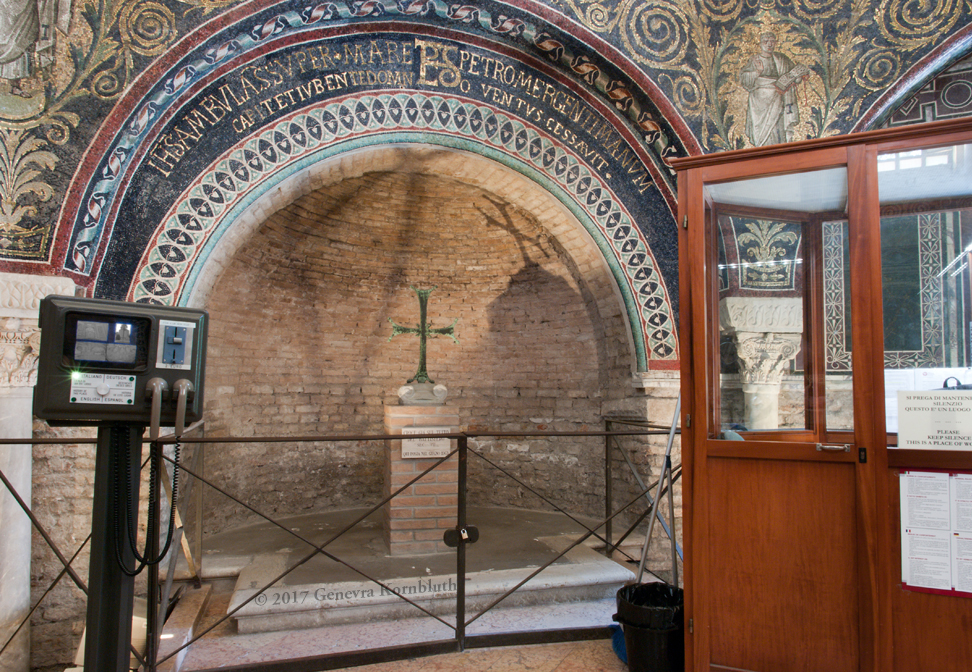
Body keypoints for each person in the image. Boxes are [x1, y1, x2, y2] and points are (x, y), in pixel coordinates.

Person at [739, 32, 810, 146]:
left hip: (779, 99)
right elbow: (744, 79)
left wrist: (798, 76)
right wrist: (757, 71)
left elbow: (793, 75)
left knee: (778, 129)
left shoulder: (781, 59)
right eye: (766, 42)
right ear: (760, 44)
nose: (769, 44)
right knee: (763, 134)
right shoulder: (755, 60)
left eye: (772, 41)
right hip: (760, 102)